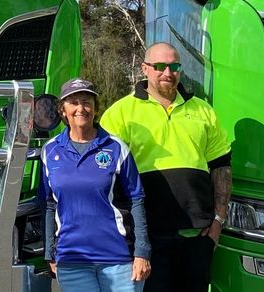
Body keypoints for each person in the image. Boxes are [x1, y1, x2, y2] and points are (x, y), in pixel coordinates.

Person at [99, 42, 231, 292]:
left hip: (197, 236)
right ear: (144, 68)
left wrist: (218, 221)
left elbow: (221, 167)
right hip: (146, 239)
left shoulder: (203, 110)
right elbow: (104, 177)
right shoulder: (120, 113)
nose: (168, 73)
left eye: (174, 66)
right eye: (159, 66)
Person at [42, 78, 151, 292]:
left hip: (118, 259)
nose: (81, 108)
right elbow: (48, 205)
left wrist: (142, 252)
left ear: (95, 108)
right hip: (72, 259)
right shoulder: (50, 150)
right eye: (73, 102)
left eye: (86, 101)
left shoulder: (116, 147)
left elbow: (136, 200)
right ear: (63, 110)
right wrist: (49, 252)